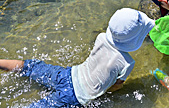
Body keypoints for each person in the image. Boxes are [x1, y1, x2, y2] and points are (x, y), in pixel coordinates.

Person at [0, 8, 155, 107]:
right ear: (136, 40)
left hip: (68, 74)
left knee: (31, 67)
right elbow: (115, 87)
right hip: (75, 98)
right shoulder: (128, 63)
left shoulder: (101, 37)